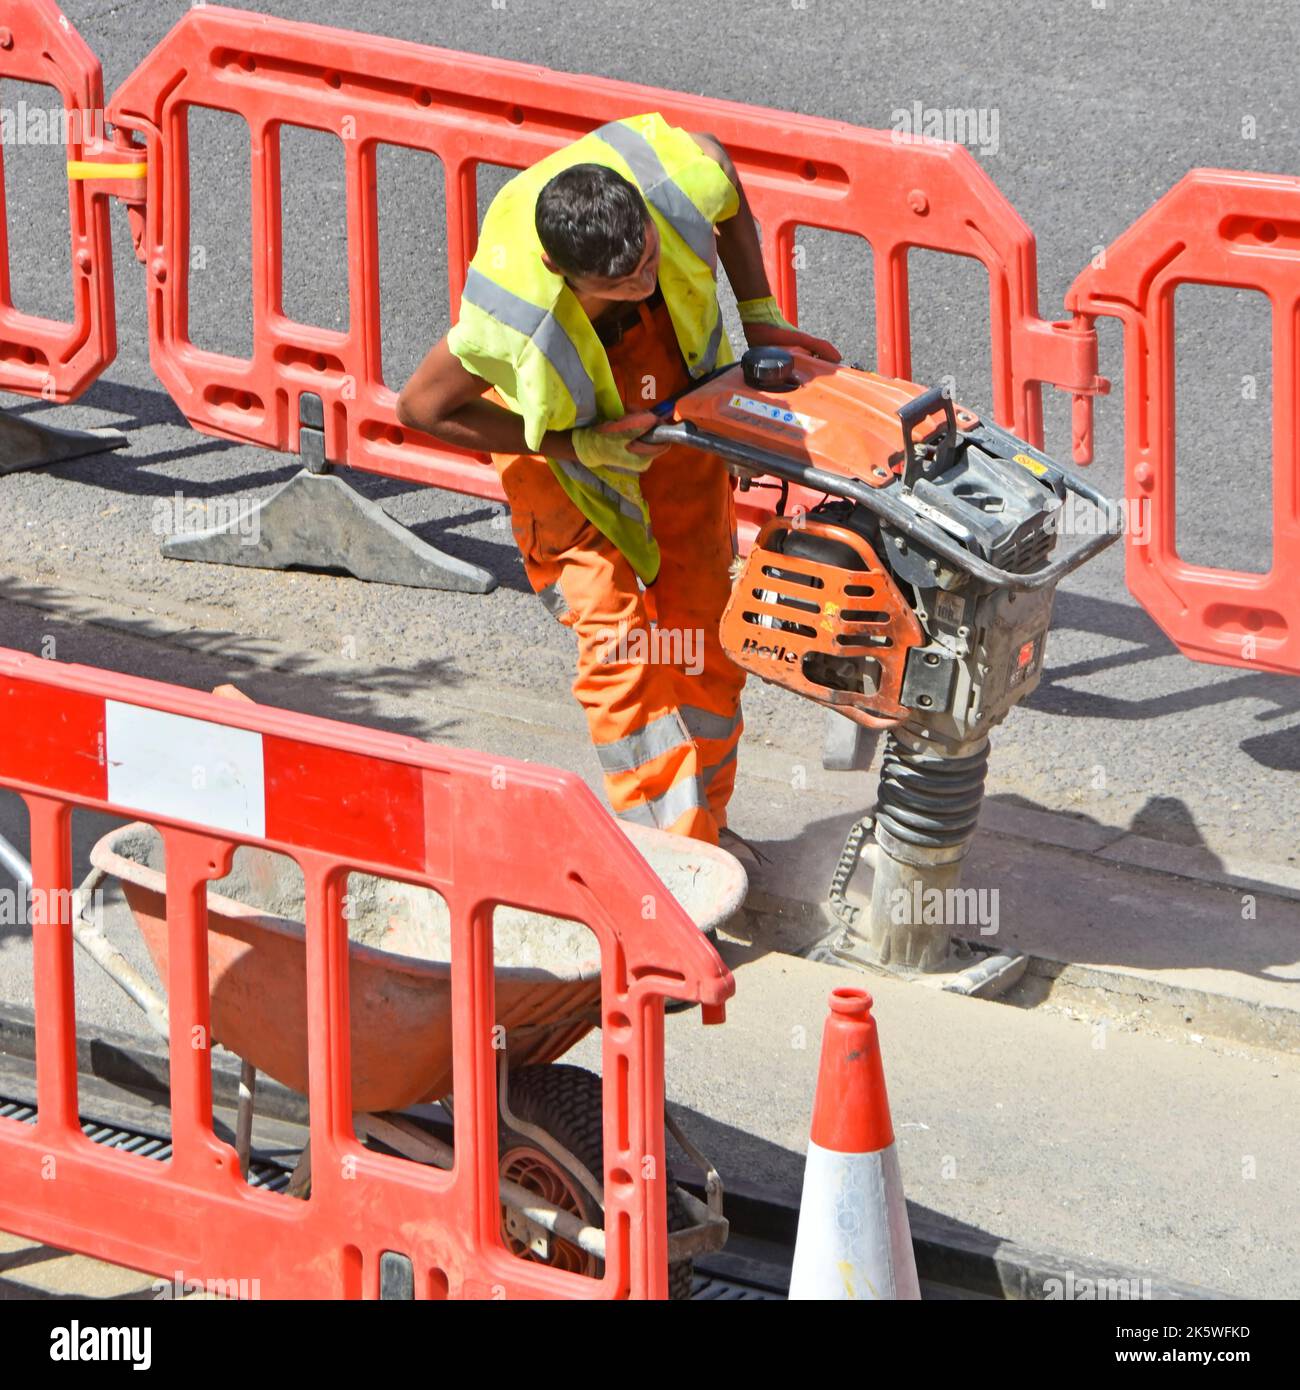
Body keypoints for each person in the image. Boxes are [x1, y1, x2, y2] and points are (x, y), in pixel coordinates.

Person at [397, 112, 839, 850]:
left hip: (667, 404)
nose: (644, 282)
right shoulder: (513, 315)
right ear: (557, 269)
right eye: (620, 282)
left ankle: (708, 831)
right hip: (562, 460)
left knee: (702, 633)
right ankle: (671, 861)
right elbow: (420, 408)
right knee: (622, 652)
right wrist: (577, 446)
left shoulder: (671, 184)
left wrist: (760, 315)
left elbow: (720, 169)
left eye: (649, 263)